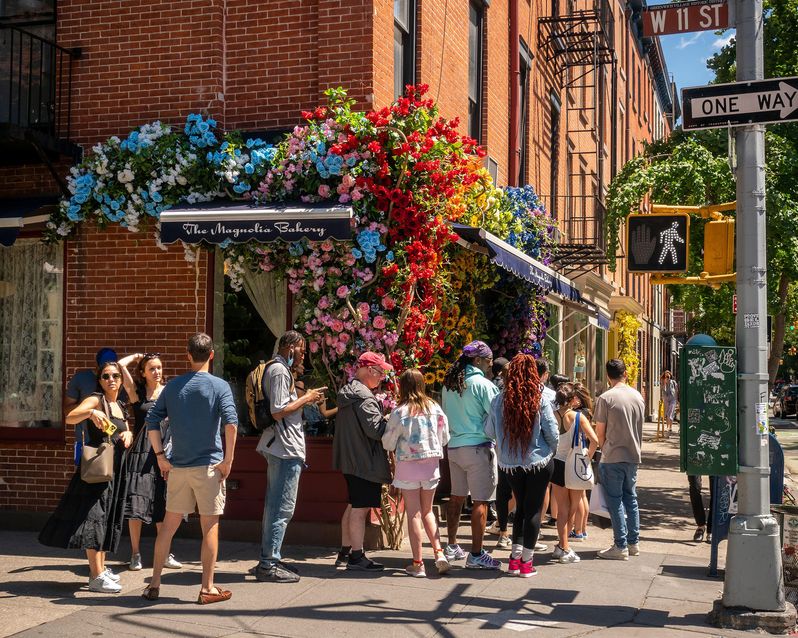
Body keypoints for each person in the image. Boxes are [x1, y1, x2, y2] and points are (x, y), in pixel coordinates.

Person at [142, 333, 238, 604]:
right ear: (211, 355)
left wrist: (160, 456)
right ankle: (207, 588)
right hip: (209, 466)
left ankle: (154, 584)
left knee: (168, 528)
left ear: (188, 355)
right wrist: (228, 460)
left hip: (179, 468)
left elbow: (152, 422)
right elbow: (231, 424)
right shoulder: (220, 386)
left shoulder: (172, 386)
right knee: (209, 527)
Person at [39, 361, 133, 593]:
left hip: (115, 470)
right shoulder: (96, 399)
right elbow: (71, 417)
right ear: (100, 381)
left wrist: (128, 432)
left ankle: (99, 570)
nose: (111, 379)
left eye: (115, 375)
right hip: (98, 470)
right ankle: (97, 575)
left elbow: (123, 428)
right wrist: (90, 412)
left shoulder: (120, 404)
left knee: (106, 520)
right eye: (105, 376)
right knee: (95, 520)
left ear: (121, 379)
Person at [254, 331, 326, 583]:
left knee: (276, 507)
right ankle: (268, 564)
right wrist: (306, 398)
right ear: (290, 348)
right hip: (284, 448)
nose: (304, 355)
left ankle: (270, 557)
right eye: (302, 350)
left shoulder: (280, 371)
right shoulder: (278, 371)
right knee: (281, 508)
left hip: (281, 446)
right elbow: (278, 411)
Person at [484, 354, 559, 578]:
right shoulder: (540, 398)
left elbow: (488, 431)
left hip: (510, 464)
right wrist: (550, 450)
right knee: (534, 510)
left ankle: (515, 560)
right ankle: (527, 562)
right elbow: (552, 433)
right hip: (538, 460)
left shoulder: (498, 399)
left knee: (520, 510)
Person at [382, 369, 451, 577]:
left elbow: (388, 442)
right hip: (430, 465)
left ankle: (418, 563)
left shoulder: (400, 411)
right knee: (428, 510)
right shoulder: (435, 407)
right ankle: (439, 553)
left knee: (414, 513)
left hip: (408, 465)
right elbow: (445, 437)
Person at [117, 352, 181, 572]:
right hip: (142, 453)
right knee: (137, 503)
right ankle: (135, 553)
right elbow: (119, 365)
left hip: (165, 450)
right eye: (152, 368)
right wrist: (136, 356)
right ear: (143, 373)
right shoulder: (138, 394)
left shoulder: (169, 392)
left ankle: (164, 554)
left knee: (163, 503)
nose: (157, 372)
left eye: (159, 368)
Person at [441, 340, 501, 569]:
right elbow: (496, 415)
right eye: (488, 361)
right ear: (477, 360)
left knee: (456, 497)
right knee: (481, 501)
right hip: (478, 447)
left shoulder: (449, 383)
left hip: (454, 447)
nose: (490, 365)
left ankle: (452, 545)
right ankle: (476, 554)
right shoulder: (483, 385)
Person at [333, 351, 394, 571]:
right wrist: (390, 420)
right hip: (364, 462)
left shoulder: (348, 393)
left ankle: (345, 552)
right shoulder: (365, 398)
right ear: (369, 370)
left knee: (352, 505)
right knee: (360, 509)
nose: (381, 378)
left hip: (350, 461)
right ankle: (357, 557)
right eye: (379, 373)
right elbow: (376, 431)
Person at [594, 358, 645, 560]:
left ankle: (620, 545)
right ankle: (634, 543)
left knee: (615, 502)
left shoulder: (606, 398)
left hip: (613, 455)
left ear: (608, 376)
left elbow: (600, 432)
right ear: (625, 373)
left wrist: (603, 448)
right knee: (631, 499)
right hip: (633, 455)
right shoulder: (638, 396)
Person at [550, 383, 599, 563]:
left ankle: (561, 545)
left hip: (556, 463)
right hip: (576, 465)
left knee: (561, 508)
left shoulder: (551, 415)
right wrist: (588, 457)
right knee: (573, 507)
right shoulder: (578, 417)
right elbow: (594, 440)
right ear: (571, 400)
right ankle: (565, 547)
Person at [661, 370, 678, 435]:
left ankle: (669, 427)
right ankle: (668, 427)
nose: (667, 377)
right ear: (664, 377)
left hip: (673, 399)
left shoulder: (673, 382)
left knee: (671, 413)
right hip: (666, 399)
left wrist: (677, 400)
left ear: (670, 375)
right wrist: (665, 383)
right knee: (667, 413)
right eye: (666, 376)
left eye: (668, 376)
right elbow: (663, 390)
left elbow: (676, 391)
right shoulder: (663, 382)